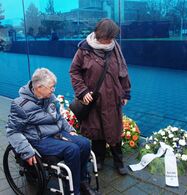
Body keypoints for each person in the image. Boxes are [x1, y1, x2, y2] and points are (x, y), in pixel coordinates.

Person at [6, 68, 96, 195]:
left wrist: (70, 130)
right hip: (39, 139)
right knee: (72, 149)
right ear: (39, 87)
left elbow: (59, 117)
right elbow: (12, 131)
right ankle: (74, 191)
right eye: (51, 87)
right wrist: (26, 151)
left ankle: (82, 181)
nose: (53, 90)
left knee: (85, 143)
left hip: (56, 134)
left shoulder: (50, 97)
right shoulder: (20, 105)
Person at [70, 18, 131, 175]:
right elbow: (74, 71)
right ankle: (99, 160)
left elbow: (123, 69)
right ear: (99, 34)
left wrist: (125, 92)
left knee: (115, 131)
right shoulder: (84, 49)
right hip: (94, 99)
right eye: (108, 37)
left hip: (112, 98)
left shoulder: (115, 47)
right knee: (97, 132)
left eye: (112, 37)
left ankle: (119, 162)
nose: (111, 40)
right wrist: (82, 92)